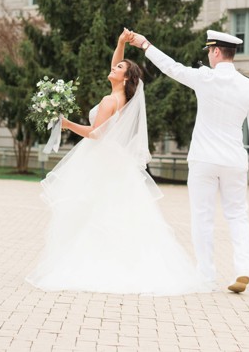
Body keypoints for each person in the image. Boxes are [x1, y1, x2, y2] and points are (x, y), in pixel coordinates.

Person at [27, 29, 209, 295]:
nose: (113, 68)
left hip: (101, 162)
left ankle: (95, 265)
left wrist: (65, 123)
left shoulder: (109, 100)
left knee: (94, 212)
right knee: (121, 214)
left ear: (126, 78)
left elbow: (95, 134)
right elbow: (116, 66)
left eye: (119, 68)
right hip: (118, 164)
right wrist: (121, 43)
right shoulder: (126, 98)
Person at [128, 29, 249, 294]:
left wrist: (145, 44)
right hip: (235, 160)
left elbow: (172, 68)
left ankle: (206, 276)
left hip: (204, 159)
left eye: (210, 52)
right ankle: (243, 269)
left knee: (202, 218)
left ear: (215, 51)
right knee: (238, 215)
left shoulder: (205, 78)